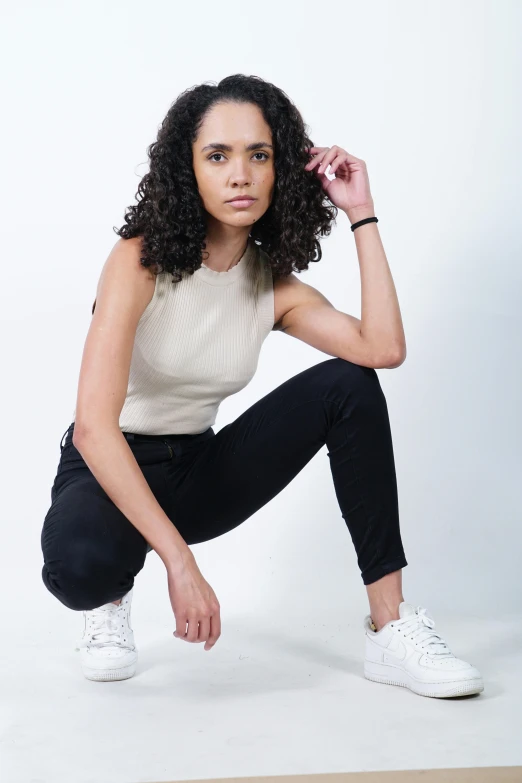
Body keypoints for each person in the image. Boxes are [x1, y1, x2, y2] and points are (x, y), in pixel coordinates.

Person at [41, 73, 483, 698]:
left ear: (281, 170)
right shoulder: (138, 262)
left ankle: (390, 627)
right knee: (79, 570)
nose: (240, 174)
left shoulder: (269, 285)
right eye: (217, 156)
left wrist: (360, 210)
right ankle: (111, 598)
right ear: (186, 170)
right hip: (106, 466)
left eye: (259, 155)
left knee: (348, 385)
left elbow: (382, 349)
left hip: (196, 468)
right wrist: (180, 561)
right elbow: (93, 426)